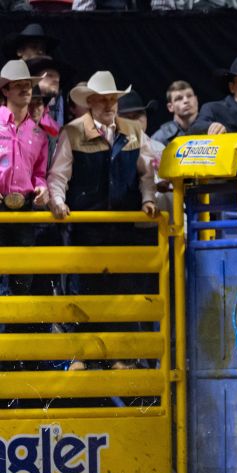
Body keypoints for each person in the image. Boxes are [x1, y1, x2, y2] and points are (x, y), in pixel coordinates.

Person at [46, 71, 159, 370]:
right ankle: (83, 356)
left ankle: (122, 357)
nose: (109, 105)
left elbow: (146, 172)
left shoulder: (133, 131)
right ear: (91, 102)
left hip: (122, 227)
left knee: (123, 291)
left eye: (113, 100)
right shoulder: (71, 132)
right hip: (87, 228)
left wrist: (148, 198)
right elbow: (59, 175)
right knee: (84, 290)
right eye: (104, 100)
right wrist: (57, 201)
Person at [0, 60, 50, 370]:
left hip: (26, 210)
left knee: (23, 282)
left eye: (28, 84)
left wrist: (42, 188)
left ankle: (15, 360)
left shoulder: (39, 133)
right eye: (19, 84)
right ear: (5, 90)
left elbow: (40, 172)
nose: (25, 88)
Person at [151, 80, 198, 146]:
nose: (186, 100)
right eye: (179, 98)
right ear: (170, 107)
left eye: (189, 96)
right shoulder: (159, 139)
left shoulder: (213, 127)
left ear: (196, 100)